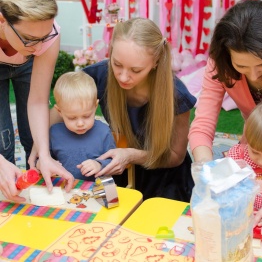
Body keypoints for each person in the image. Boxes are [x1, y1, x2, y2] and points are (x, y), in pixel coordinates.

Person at [50, 17, 196, 201]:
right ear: (110, 51)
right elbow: (59, 112)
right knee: (105, 218)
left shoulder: (176, 95)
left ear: (156, 62)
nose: (123, 77)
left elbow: (175, 156)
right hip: (117, 168)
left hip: (166, 178)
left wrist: (130, 155)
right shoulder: (100, 75)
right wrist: (42, 152)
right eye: (117, 64)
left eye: (135, 70)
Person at [188, 0, 262, 235]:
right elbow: (203, 124)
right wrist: (206, 171)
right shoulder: (220, 65)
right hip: (258, 149)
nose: (253, 75)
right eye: (242, 66)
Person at [0, 0, 74, 202]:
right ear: (3, 20)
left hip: (25, 66)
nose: (39, 47)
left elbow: (39, 100)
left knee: (36, 141)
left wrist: (44, 153)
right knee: (2, 141)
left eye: (45, 38)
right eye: (30, 39)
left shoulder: (45, 37)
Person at [44, 71, 115, 181]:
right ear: (59, 111)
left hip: (97, 191)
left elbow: (112, 160)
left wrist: (99, 164)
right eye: (72, 118)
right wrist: (43, 163)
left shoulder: (103, 132)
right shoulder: (54, 133)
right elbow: (42, 159)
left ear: (95, 106)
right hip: (64, 190)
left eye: (86, 116)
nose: (80, 123)